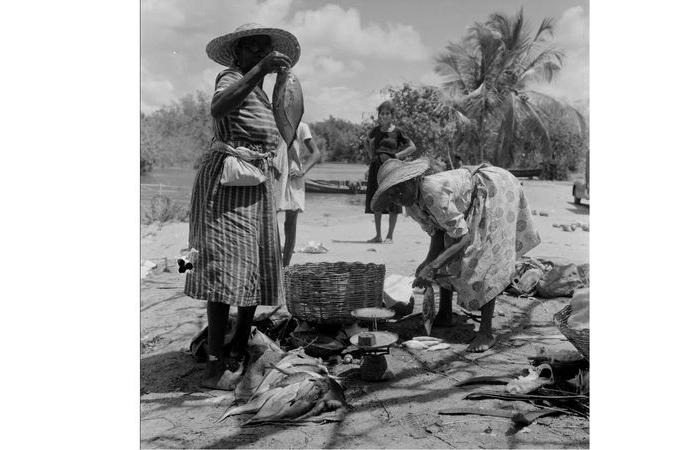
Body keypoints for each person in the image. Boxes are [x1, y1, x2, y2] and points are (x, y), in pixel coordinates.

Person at [184, 23, 299, 389]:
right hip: (226, 184)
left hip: (257, 185)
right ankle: (216, 358)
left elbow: (285, 127)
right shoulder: (231, 76)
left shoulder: (264, 93)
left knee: (256, 266)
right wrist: (258, 71)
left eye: (265, 50)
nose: (260, 54)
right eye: (253, 49)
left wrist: (277, 81)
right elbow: (219, 108)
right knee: (222, 267)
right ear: (239, 53)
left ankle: (238, 345)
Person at [371, 158, 541, 352]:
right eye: (392, 195)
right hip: (467, 206)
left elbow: (463, 238)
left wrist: (432, 266)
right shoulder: (411, 205)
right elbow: (438, 232)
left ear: (413, 180)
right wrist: (428, 262)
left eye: (400, 188)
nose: (398, 196)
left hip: (494, 190)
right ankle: (445, 313)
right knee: (444, 256)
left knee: (482, 258)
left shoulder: (432, 192)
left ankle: (486, 332)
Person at [364, 101, 416, 243]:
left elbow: (412, 147)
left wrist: (398, 156)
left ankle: (389, 236)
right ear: (379, 115)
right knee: (376, 200)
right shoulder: (375, 130)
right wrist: (371, 155)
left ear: (392, 115)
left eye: (387, 113)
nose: (384, 115)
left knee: (394, 201)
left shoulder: (398, 131)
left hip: (392, 168)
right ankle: (378, 236)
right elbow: (367, 142)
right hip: (376, 168)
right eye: (382, 113)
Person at [274, 121, 321, 266]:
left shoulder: (301, 126)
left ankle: (285, 266)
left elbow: (316, 153)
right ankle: (273, 264)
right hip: (275, 173)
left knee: (290, 224)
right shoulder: (273, 122)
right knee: (270, 221)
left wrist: (303, 170)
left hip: (293, 176)